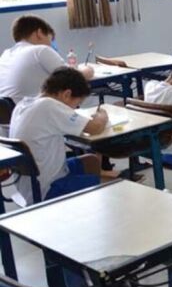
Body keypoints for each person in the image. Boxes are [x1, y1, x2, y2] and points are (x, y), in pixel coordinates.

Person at [9, 68, 109, 205]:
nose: (74, 109)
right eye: (76, 104)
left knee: (90, 161)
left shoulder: (24, 104)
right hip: (47, 189)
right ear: (66, 94)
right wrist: (102, 114)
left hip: (31, 184)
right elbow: (95, 128)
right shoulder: (48, 106)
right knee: (107, 187)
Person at [0, 15, 93, 104]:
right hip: (32, 112)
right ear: (39, 33)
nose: (50, 44)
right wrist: (88, 70)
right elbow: (75, 77)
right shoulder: (40, 50)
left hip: (9, 115)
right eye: (50, 39)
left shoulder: (6, 54)